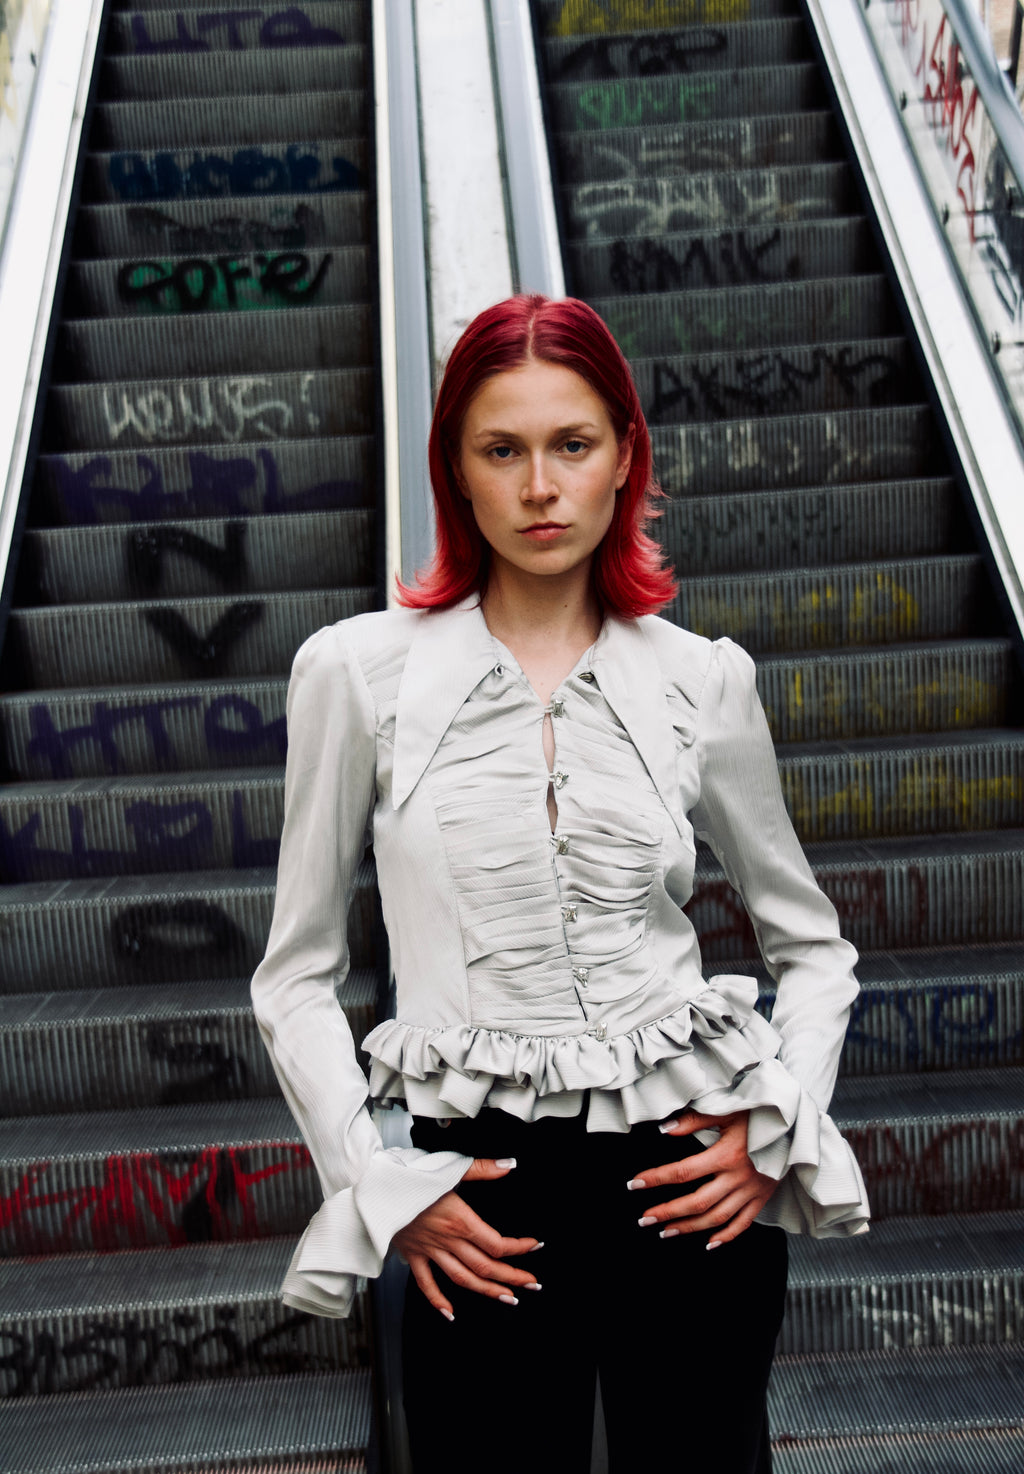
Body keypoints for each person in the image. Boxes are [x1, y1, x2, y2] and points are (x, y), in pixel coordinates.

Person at [251, 294, 870, 1474]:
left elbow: (812, 947)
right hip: (474, 1201)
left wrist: (774, 1127)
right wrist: (378, 1178)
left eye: (571, 445)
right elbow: (295, 977)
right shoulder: (355, 675)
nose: (541, 485)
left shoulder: (704, 680)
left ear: (623, 458)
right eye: (503, 449)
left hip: (688, 1178)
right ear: (457, 470)